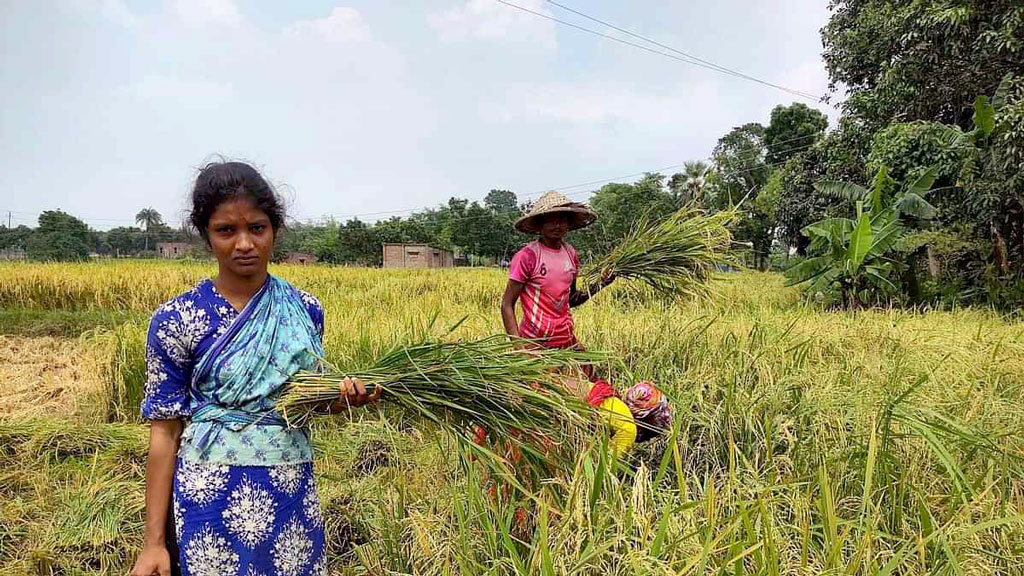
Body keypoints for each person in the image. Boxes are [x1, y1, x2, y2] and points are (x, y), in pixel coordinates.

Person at [130, 161, 379, 576]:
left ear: (274, 230)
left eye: (257, 228)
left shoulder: (304, 310)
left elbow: (301, 405)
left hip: (289, 486)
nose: (244, 243)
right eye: (226, 230)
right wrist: (153, 543)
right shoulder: (177, 319)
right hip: (209, 492)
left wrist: (342, 399)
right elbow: (164, 432)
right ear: (206, 236)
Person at [500, 190, 614, 359]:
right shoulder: (528, 256)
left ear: (568, 224)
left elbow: (572, 300)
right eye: (551, 220)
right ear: (540, 225)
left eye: (562, 219)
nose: (557, 225)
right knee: (552, 384)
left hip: (565, 338)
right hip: (536, 341)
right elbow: (506, 304)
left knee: (592, 378)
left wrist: (601, 283)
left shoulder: (571, 254)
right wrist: (519, 348)